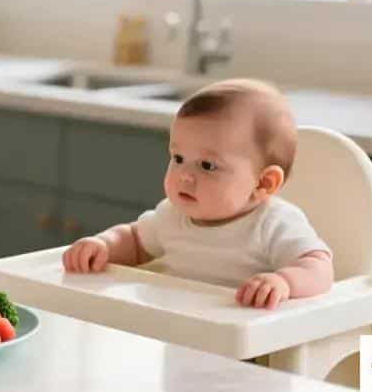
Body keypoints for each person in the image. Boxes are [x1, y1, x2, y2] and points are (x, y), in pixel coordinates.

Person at [62, 79, 334, 310]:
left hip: (245, 352)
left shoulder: (273, 223)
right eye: (178, 157)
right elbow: (134, 240)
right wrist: (103, 245)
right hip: (181, 336)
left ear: (264, 183)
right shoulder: (171, 215)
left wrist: (284, 282)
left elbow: (319, 267)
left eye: (207, 165)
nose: (185, 175)